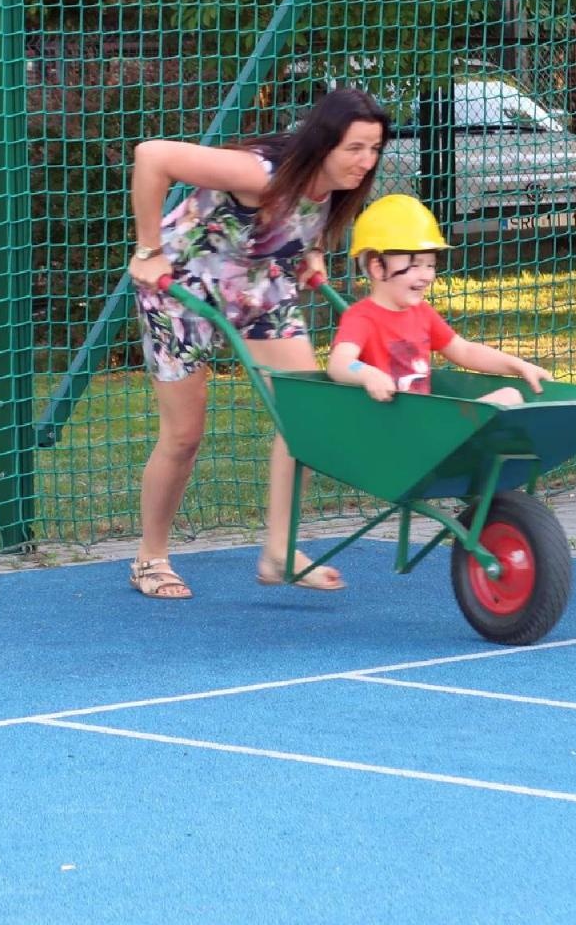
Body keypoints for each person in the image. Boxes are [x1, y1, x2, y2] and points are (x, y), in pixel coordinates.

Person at [123, 87, 390, 598]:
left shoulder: (338, 183)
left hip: (258, 286)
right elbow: (152, 155)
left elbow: (298, 223)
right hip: (182, 284)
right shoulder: (259, 172)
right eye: (355, 148)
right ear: (324, 143)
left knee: (305, 412)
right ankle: (151, 557)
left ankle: (279, 552)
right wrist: (148, 249)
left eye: (374, 149)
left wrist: (311, 252)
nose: (366, 161)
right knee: (184, 435)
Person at [326, 194, 551, 405]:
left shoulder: (422, 313)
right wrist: (367, 374)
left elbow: (464, 351)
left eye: (431, 265)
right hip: (388, 424)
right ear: (377, 267)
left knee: (510, 397)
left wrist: (518, 366)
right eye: (415, 265)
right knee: (505, 400)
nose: (427, 276)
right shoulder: (362, 317)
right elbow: (339, 363)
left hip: (424, 424)